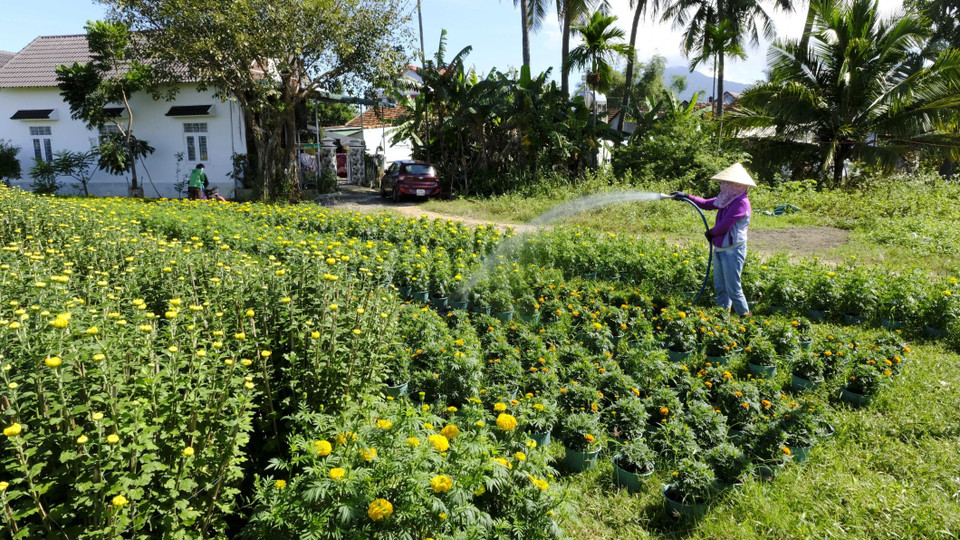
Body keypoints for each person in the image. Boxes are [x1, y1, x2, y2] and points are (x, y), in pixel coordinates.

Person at [671, 163, 756, 316]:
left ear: (735, 184)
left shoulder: (741, 202)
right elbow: (707, 204)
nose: (722, 185)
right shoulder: (727, 198)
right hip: (720, 248)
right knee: (720, 287)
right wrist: (687, 196)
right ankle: (723, 316)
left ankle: (746, 319)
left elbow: (726, 225)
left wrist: (711, 233)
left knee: (733, 289)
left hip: (733, 249)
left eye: (726, 182)